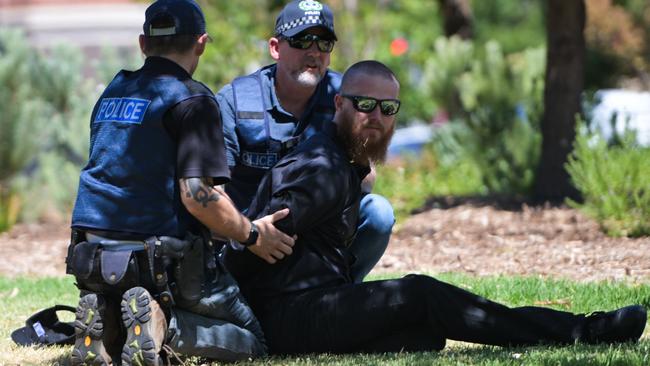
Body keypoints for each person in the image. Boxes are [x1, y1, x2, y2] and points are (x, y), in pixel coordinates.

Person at [223, 60, 648, 354]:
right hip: (288, 316)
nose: (377, 117)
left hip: (313, 304)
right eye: (365, 105)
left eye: (388, 109)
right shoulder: (323, 167)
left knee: (425, 334)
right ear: (339, 104)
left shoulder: (342, 160)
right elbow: (257, 237)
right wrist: (250, 251)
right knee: (420, 293)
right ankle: (581, 330)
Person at [65, 1, 295, 364]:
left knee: (129, 294)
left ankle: (109, 318)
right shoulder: (193, 99)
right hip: (156, 261)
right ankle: (163, 322)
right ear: (201, 43)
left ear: (144, 44)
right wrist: (251, 234)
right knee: (252, 340)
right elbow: (196, 196)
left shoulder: (114, 90)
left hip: (90, 259)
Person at [216, 0, 394, 282]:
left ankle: (343, 291)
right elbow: (211, 192)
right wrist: (249, 232)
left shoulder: (345, 96)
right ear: (275, 48)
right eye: (301, 40)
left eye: (324, 43)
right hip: (250, 235)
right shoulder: (235, 100)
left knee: (379, 213)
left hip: (320, 234)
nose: (314, 52)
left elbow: (366, 180)